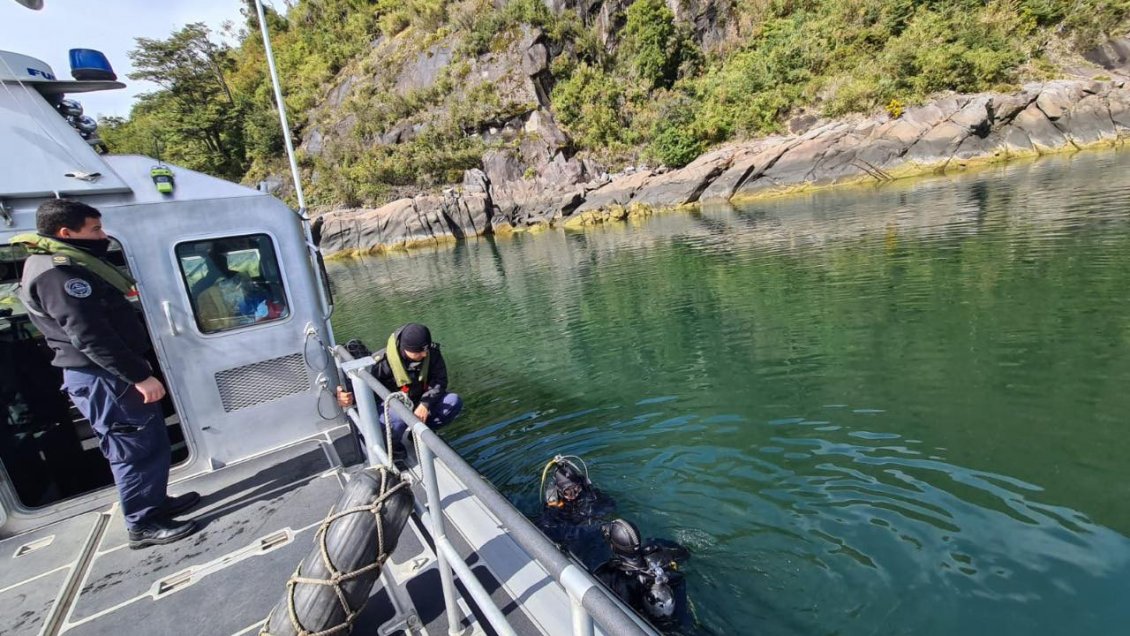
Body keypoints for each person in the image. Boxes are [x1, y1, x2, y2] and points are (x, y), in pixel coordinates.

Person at [11, 199, 199, 549]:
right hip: (104, 378)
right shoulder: (58, 273)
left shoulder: (53, 264)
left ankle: (155, 501)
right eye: (94, 229)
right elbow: (88, 334)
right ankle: (143, 524)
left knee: (148, 441)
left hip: (109, 376)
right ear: (66, 233)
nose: (103, 235)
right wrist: (138, 376)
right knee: (132, 448)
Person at [370, 323, 463, 448]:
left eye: (426, 350)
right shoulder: (382, 362)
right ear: (405, 349)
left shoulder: (431, 353)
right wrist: (344, 394)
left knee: (453, 401)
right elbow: (362, 385)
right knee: (399, 415)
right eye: (419, 351)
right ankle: (391, 446)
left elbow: (440, 381)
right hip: (392, 407)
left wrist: (425, 403)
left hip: (419, 400)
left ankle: (419, 434)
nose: (424, 355)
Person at [594, 518, 691, 631]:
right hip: (675, 618)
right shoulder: (657, 552)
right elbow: (685, 553)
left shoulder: (608, 575)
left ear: (613, 546)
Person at [535, 455, 617, 567]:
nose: (573, 495)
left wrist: (596, 516)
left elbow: (610, 504)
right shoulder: (554, 506)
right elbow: (545, 528)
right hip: (575, 534)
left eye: (576, 489)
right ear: (559, 491)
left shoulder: (587, 493)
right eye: (568, 492)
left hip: (592, 528)